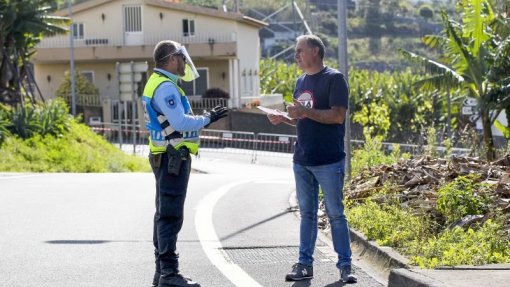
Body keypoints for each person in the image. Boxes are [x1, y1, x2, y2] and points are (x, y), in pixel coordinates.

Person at [267, 34, 357, 284]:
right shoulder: (300, 80)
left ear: (315, 51)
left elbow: (337, 116)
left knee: (336, 214)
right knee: (306, 214)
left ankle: (346, 266)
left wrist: (303, 111)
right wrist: (283, 118)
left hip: (329, 160)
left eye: (300, 50)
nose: (296, 55)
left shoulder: (335, 79)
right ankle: (304, 264)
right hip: (302, 159)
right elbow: (301, 118)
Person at [142, 40, 228, 287]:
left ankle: (162, 272)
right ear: (171, 59)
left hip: (165, 155)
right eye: (181, 56)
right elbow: (179, 122)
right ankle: (169, 273)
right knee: (170, 215)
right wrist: (207, 118)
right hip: (172, 157)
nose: (183, 61)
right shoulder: (166, 86)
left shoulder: (158, 82)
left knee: (163, 213)